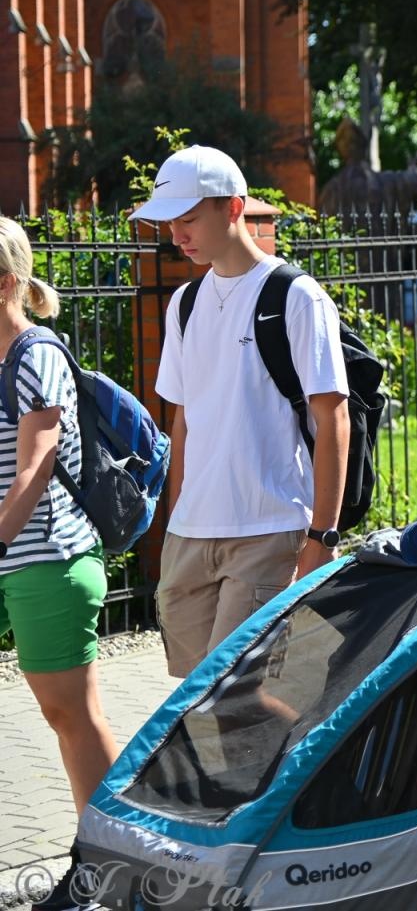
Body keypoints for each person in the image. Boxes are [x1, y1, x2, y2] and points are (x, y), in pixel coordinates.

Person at [137, 146, 350, 679]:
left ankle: (300, 762)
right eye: (169, 222)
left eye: (188, 218)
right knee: (190, 703)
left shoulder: (296, 296)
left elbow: (333, 419)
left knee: (241, 698)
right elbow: (184, 420)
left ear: (233, 208)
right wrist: (176, 520)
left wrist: (322, 539)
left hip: (268, 529)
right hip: (190, 534)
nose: (177, 235)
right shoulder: (183, 302)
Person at [0, 220, 117, 911]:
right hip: (28, 558)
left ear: (5, 284)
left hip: (50, 556)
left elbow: (38, 463)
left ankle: (108, 865)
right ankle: (103, 862)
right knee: (68, 714)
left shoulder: (34, 353)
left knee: (72, 716)